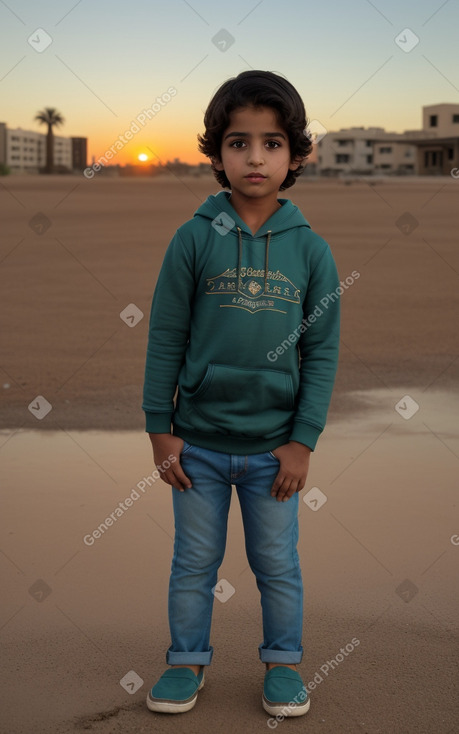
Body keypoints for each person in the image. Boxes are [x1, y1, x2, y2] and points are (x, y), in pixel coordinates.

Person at [142, 69, 340, 717]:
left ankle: (282, 666)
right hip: (195, 445)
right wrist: (158, 427)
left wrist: (301, 441)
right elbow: (166, 337)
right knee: (192, 565)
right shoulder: (194, 237)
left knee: (276, 566)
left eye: (272, 143)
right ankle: (185, 663)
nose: (255, 157)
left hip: (273, 455)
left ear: (295, 154)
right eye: (237, 142)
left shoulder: (310, 251)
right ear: (216, 151)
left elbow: (321, 353)